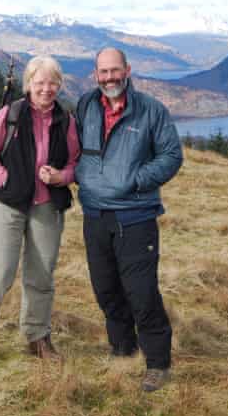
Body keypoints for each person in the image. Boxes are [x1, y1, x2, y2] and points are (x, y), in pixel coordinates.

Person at [74, 48, 183, 392]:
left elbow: (171, 156)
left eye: (115, 71)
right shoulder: (85, 107)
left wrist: (136, 179)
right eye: (103, 72)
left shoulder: (150, 110)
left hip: (135, 218)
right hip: (95, 215)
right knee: (106, 290)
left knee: (142, 292)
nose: (109, 78)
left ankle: (157, 364)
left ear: (128, 70)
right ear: (95, 74)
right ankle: (122, 350)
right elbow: (73, 149)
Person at [0, 55, 80, 366]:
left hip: (47, 207)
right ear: (29, 84)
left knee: (41, 276)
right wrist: (6, 180)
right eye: (40, 82)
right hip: (7, 204)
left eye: (52, 82)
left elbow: (75, 163)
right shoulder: (11, 113)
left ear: (59, 85)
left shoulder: (66, 121)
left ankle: (37, 337)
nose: (46, 89)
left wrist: (61, 177)